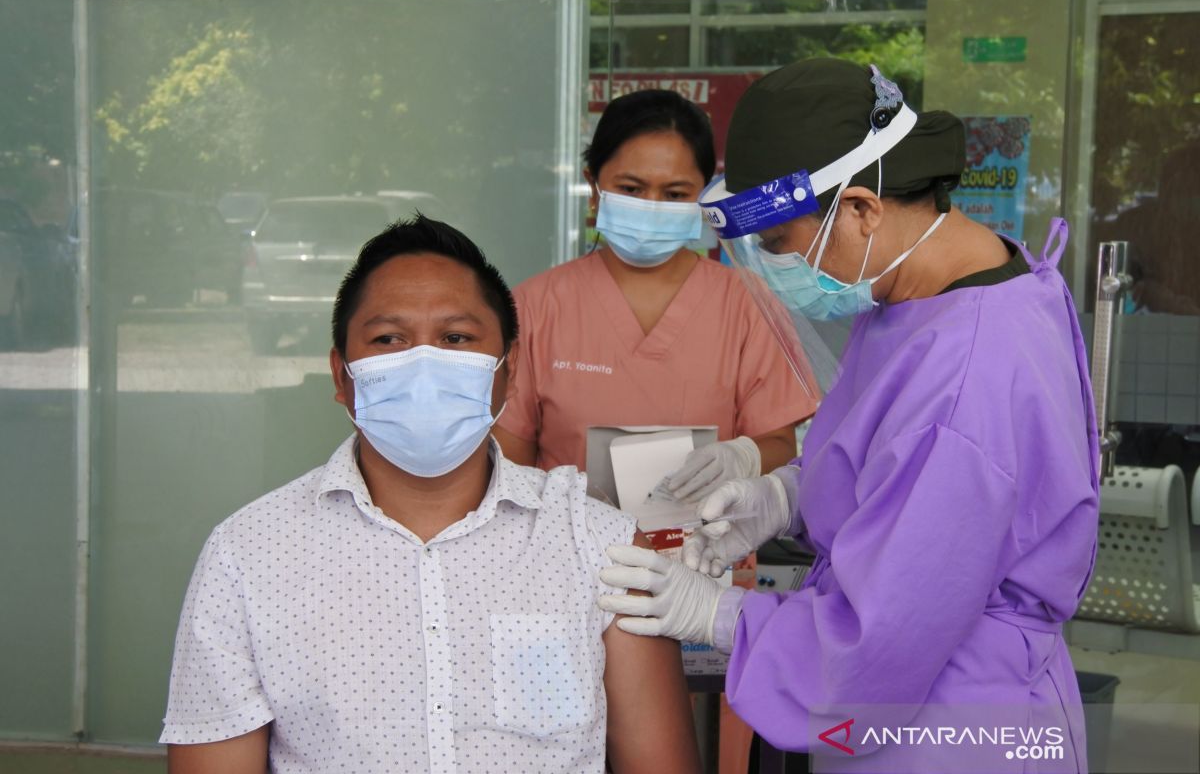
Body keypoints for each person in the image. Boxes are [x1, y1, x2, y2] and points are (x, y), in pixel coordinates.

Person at [597, 59, 1100, 773]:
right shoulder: (936, 292)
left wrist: (716, 615)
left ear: (861, 209)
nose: (773, 268)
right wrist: (784, 495)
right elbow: (901, 472)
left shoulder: (965, 377)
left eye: (778, 245)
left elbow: (875, 643)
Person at [159, 215, 700, 774]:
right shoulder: (248, 556)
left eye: (456, 338)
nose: (422, 363)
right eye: (389, 339)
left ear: (508, 371)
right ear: (342, 375)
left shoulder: (600, 545)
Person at [493, 88, 818, 500]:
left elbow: (778, 445)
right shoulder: (534, 308)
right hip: (567, 557)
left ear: (703, 194)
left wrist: (741, 458)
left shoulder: (748, 305)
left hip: (705, 555)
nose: (651, 206)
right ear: (594, 186)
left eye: (675, 194)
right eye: (631, 188)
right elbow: (510, 464)